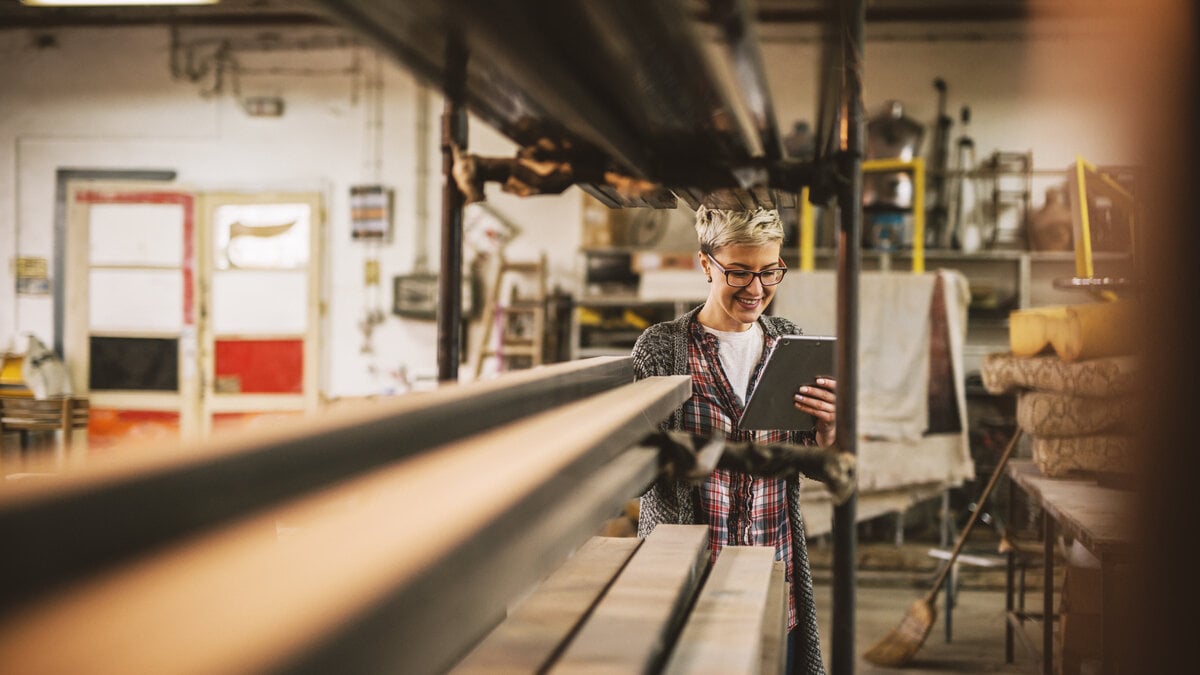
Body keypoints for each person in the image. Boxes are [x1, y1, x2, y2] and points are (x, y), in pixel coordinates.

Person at [632, 205, 836, 675]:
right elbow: (642, 475)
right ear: (705, 264)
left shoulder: (789, 342)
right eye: (740, 272)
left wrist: (827, 435)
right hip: (685, 584)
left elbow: (809, 461)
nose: (757, 289)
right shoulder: (662, 347)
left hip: (771, 573)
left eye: (770, 272)